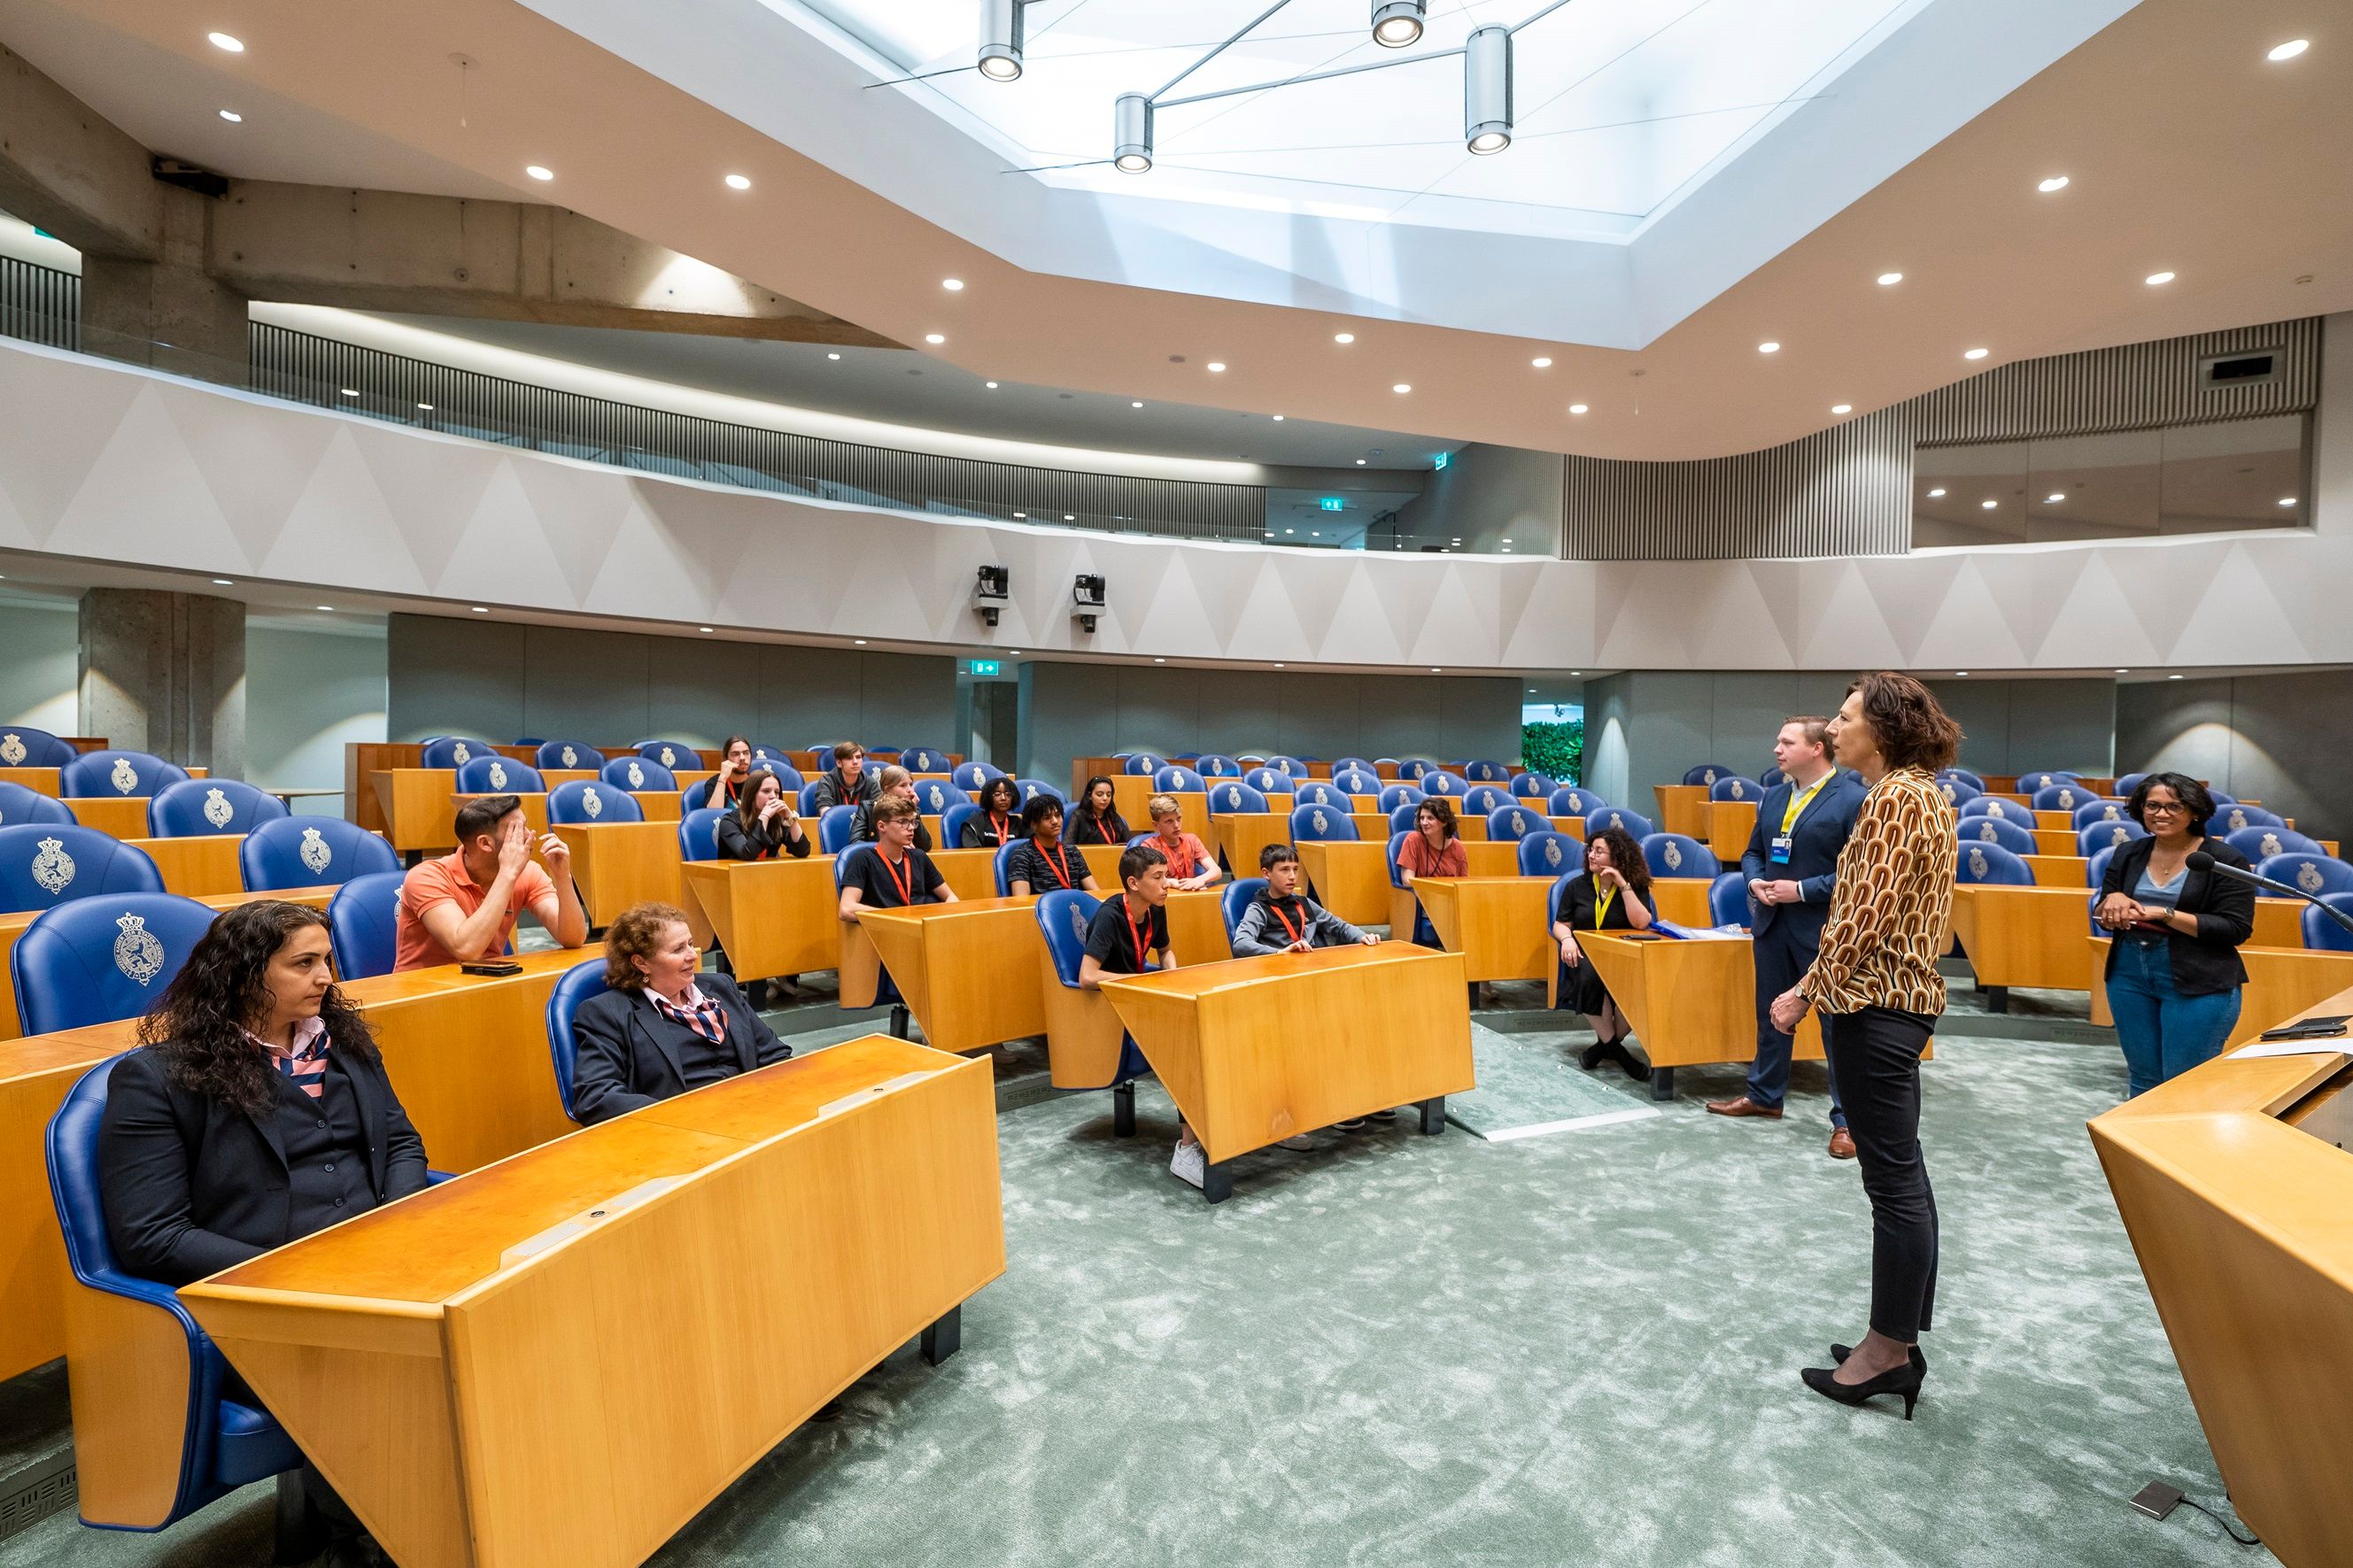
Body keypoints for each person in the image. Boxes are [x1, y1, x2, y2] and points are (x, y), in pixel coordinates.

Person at [101, 900, 429, 1566]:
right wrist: (301, 1272)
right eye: (304, 963)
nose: (326, 978)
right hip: (265, 1294)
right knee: (384, 1364)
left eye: (328, 960)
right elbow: (152, 1235)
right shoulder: (157, 1078)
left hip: (382, 1265)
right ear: (247, 973)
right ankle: (372, 1537)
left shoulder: (347, 1043)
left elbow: (401, 1142)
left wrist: (394, 1226)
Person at [1769, 671, 1960, 1418]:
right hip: (1891, 1005)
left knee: (1892, 1183)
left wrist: (1803, 989)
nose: (1833, 729)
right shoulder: (1916, 794)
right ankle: (1898, 1339)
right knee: (1901, 1174)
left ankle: (1888, 1350)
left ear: (1881, 729)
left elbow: (1861, 918)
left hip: (1875, 1007)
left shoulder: (1895, 799)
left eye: (1846, 718)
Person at [1707, 716, 1869, 1157]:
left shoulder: (1854, 799)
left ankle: (1848, 1121)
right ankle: (1764, 1096)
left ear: (1817, 748)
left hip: (1825, 931)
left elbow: (1857, 874)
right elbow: (1753, 852)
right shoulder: (1776, 795)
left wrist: (1801, 889)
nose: (1776, 749)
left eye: (1786, 742)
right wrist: (1755, 881)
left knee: (1838, 1028)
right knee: (1771, 1014)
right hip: (1772, 924)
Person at [2094, 772, 2255, 1096]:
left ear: (2195, 811)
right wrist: (2112, 903)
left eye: (2173, 806)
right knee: (2142, 1079)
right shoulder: (2129, 853)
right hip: (2129, 973)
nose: (2161, 814)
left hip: (2199, 979)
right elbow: (2103, 914)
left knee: (2183, 1086)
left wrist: (2165, 914)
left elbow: (2234, 928)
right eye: (2152, 805)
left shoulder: (2224, 860)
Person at [569, 902, 792, 1124]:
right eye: (678, 949)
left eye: (691, 944)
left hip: (753, 1115)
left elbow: (774, 1055)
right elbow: (596, 1095)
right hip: (680, 1132)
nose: (692, 955)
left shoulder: (722, 987)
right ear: (642, 963)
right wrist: (678, 1115)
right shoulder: (607, 1013)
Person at [1079, 844, 1210, 1180]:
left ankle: (1209, 1127)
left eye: (1166, 875)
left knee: (1204, 1025)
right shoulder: (1110, 916)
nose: (1168, 883)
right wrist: (1139, 980)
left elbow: (1166, 951)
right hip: (1111, 1007)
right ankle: (1186, 1149)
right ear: (1134, 883)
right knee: (1187, 1043)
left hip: (1141, 998)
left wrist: (1172, 975)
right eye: (1159, 877)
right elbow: (1088, 977)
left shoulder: (1156, 907)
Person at [395, 794, 587, 970]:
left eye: (525, 826)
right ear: (485, 843)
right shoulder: (427, 877)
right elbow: (466, 950)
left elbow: (573, 938)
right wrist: (508, 873)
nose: (530, 836)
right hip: (424, 992)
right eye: (516, 829)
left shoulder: (527, 872)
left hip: (486, 985)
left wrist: (563, 878)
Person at [1551, 825, 1655, 1081]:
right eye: (1590, 850)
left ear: (1617, 858)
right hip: (1586, 952)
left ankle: (1603, 1048)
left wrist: (1623, 885)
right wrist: (1567, 941)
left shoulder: (1635, 885)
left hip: (1623, 953)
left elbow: (1642, 923)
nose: (1591, 855)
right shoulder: (1577, 885)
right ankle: (1621, 1055)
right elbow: (1561, 924)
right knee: (1588, 977)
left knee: (1644, 984)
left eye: (1599, 851)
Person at [1233, 842, 1378, 956]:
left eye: (1295, 869)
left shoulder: (1303, 902)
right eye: (1284, 870)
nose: (1292, 876)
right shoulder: (1259, 909)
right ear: (1266, 873)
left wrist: (1363, 936)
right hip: (1280, 969)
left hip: (1311, 964)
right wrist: (1280, 952)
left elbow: (1339, 926)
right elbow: (1241, 943)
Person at [838, 796, 957, 921]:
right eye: (903, 822)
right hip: (886, 931)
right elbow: (846, 909)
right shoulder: (863, 859)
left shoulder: (919, 857)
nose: (911, 828)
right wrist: (895, 917)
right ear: (882, 826)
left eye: (913, 822)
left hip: (921, 928)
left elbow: (950, 896)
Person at [1005, 794, 1100, 896]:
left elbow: (1095, 892)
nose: (1055, 821)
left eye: (1058, 815)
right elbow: (1021, 901)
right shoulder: (1022, 855)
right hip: (1043, 910)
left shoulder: (1072, 852)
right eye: (1047, 818)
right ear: (1034, 825)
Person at [716, 768, 811, 861]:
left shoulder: (776, 820)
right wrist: (764, 817)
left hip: (767, 873)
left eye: (777, 792)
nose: (773, 796)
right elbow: (748, 854)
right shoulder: (729, 822)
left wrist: (790, 818)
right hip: (736, 874)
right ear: (752, 794)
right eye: (766, 791)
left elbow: (803, 851)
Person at [1145, 794, 1222, 891]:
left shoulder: (1192, 840)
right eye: (1169, 821)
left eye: (1179, 819)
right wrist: (1170, 882)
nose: (1176, 825)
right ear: (1156, 825)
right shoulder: (1149, 846)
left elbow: (1216, 871)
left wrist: (1199, 880)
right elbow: (1147, 879)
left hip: (1189, 894)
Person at [850, 765, 933, 852]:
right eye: (903, 785)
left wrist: (912, 811)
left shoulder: (913, 811)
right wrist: (892, 847)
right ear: (888, 790)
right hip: (875, 860)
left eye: (911, 784)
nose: (910, 790)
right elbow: (855, 843)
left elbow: (926, 846)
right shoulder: (868, 808)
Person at [809, 742, 876, 814]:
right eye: (849, 758)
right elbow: (825, 810)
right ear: (839, 763)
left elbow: (881, 808)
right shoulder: (827, 781)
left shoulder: (871, 782)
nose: (855, 762)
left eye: (858, 757)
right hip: (836, 823)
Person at [1066, 775, 1129, 846]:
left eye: (1108, 795)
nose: (1105, 798)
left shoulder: (1113, 816)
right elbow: (1067, 846)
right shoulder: (1079, 816)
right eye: (1100, 794)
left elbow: (1129, 843)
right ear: (1089, 795)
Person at [962, 776, 1023, 848]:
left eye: (1008, 794)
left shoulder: (1018, 823)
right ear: (988, 797)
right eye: (997, 794)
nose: (1003, 798)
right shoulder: (975, 823)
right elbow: (973, 854)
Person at [706, 735, 755, 812]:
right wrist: (722, 779)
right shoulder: (714, 783)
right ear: (726, 758)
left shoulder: (758, 782)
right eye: (736, 754)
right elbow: (713, 814)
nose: (742, 758)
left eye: (746, 753)